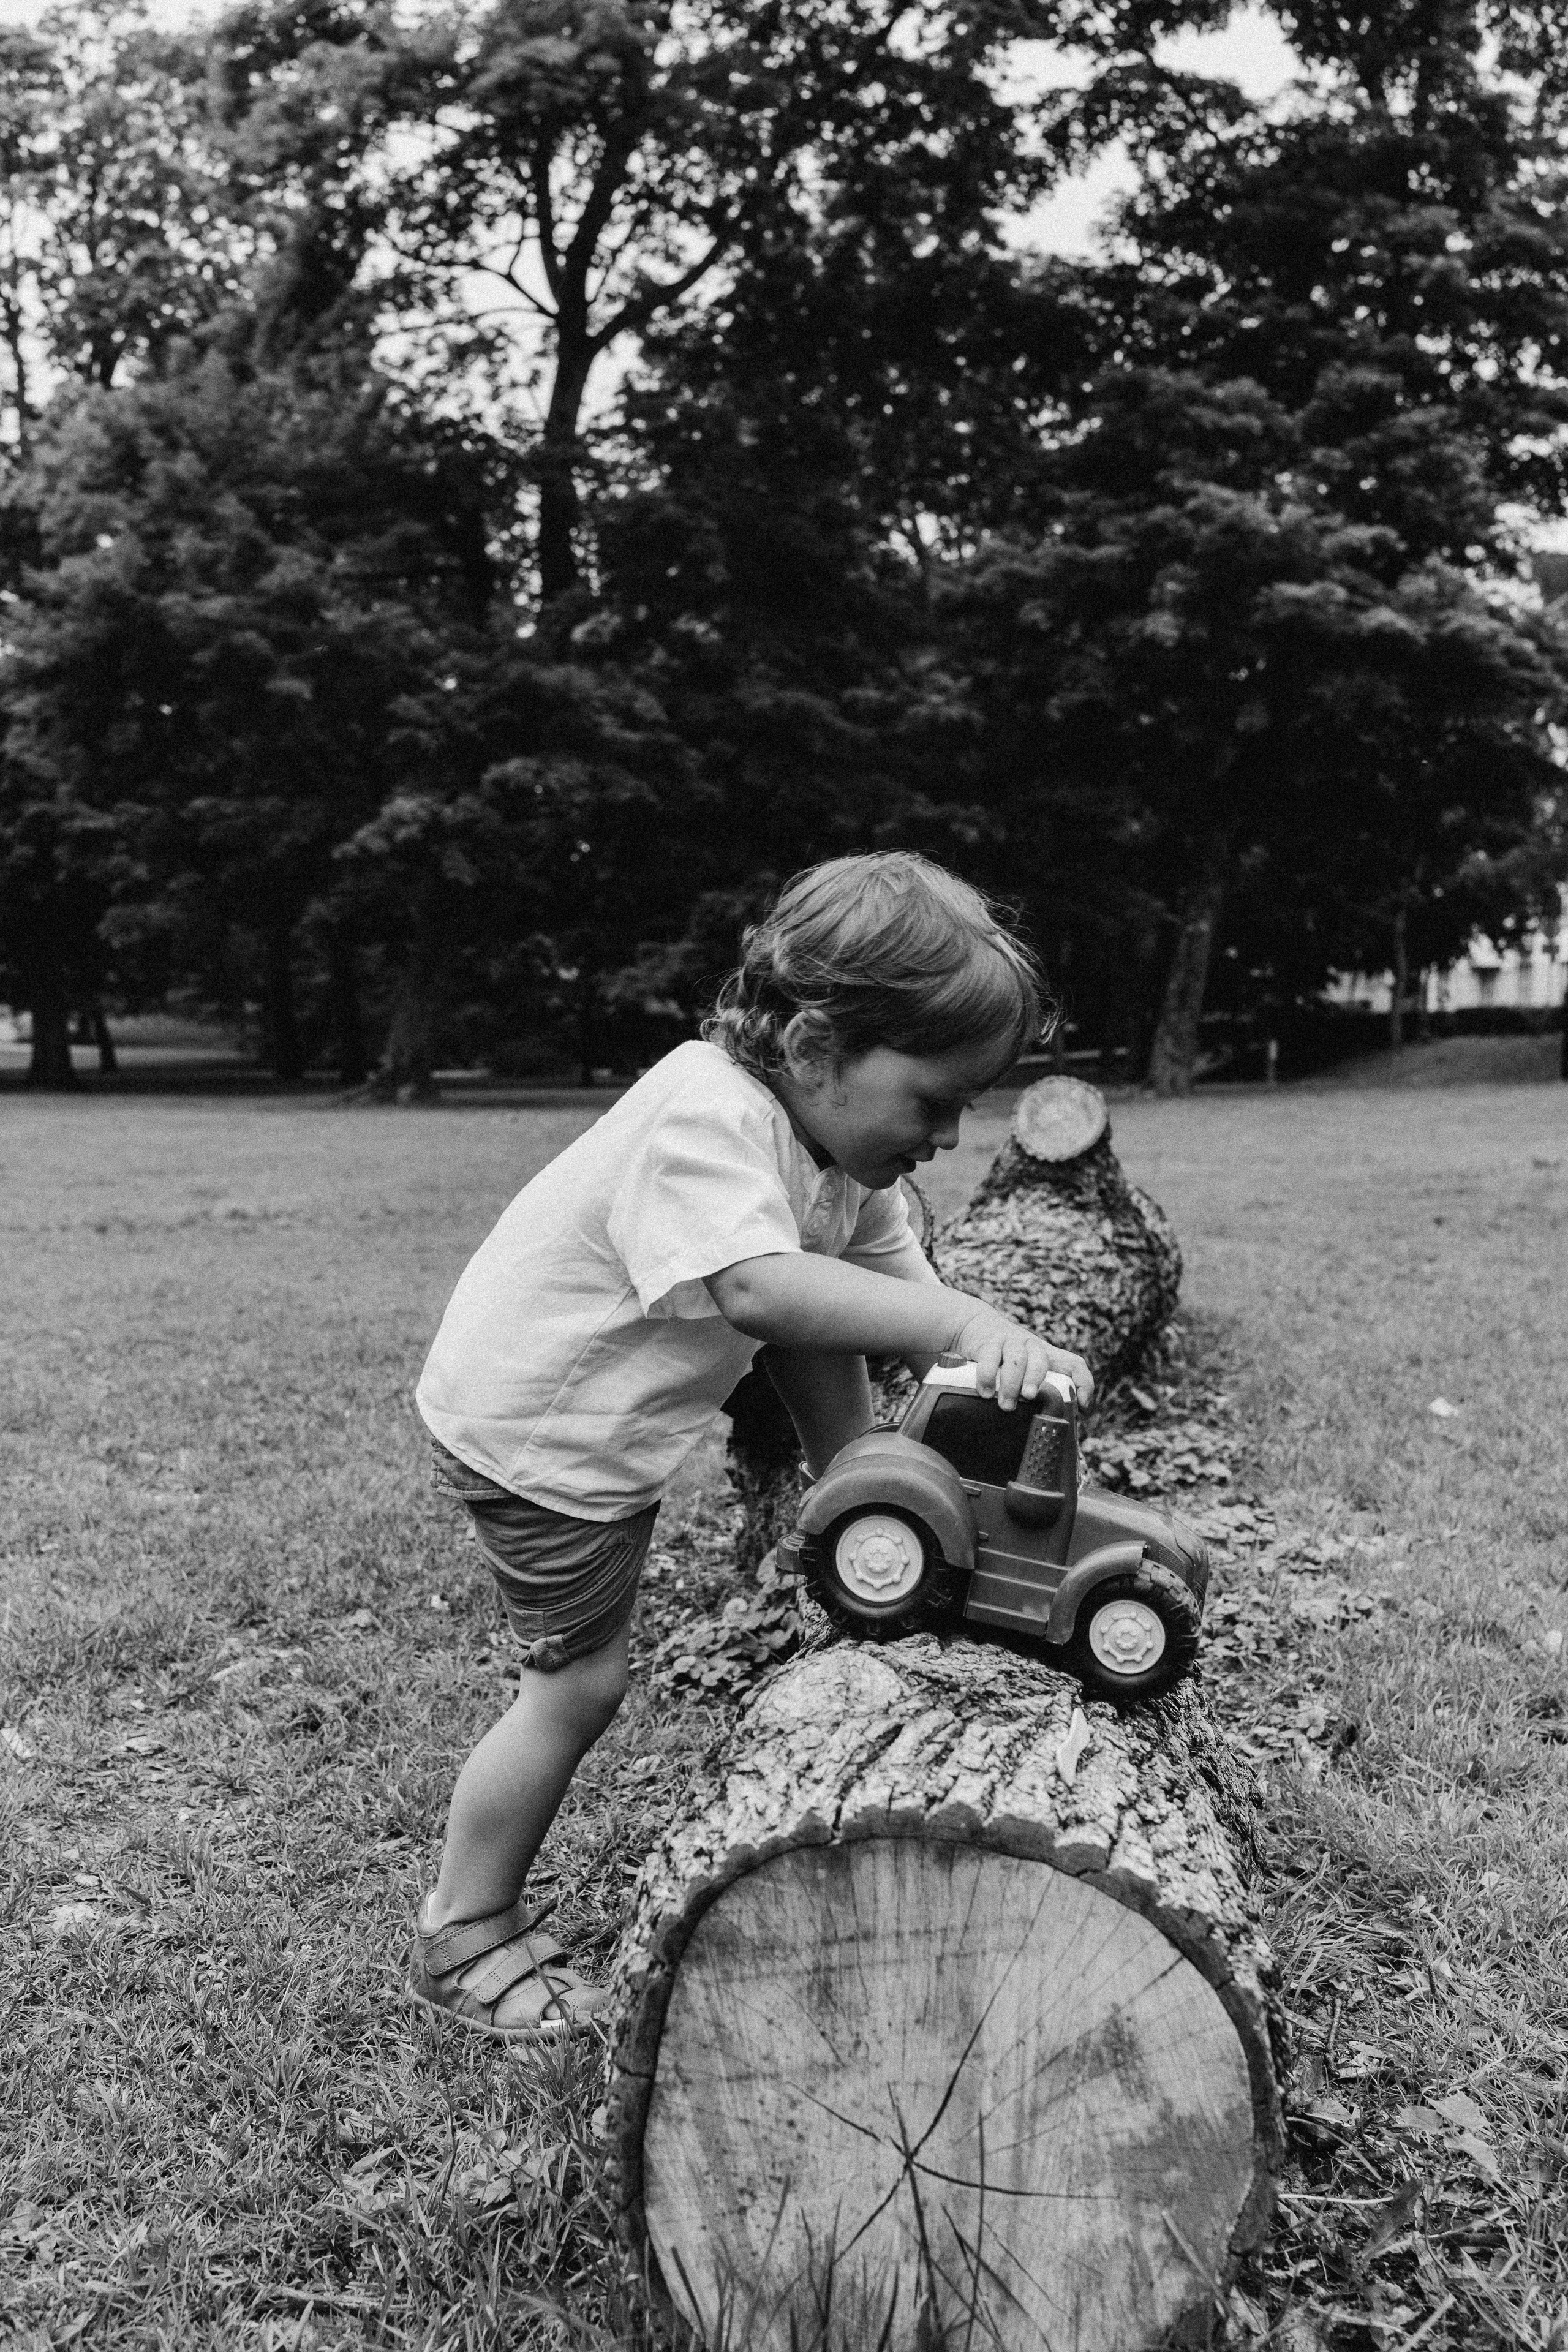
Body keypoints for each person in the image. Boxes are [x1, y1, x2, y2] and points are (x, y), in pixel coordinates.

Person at [409, 851, 1093, 2037]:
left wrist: (916, 1443)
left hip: (599, 1432)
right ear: (819, 1047)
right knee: (577, 1685)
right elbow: (766, 1297)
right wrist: (966, 1322)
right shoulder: (704, 1114)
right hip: (538, 1435)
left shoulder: (835, 1153)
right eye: (932, 1101)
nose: (945, 1134)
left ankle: (864, 1529)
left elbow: (871, 1301)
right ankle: (462, 1928)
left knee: (855, 1446)